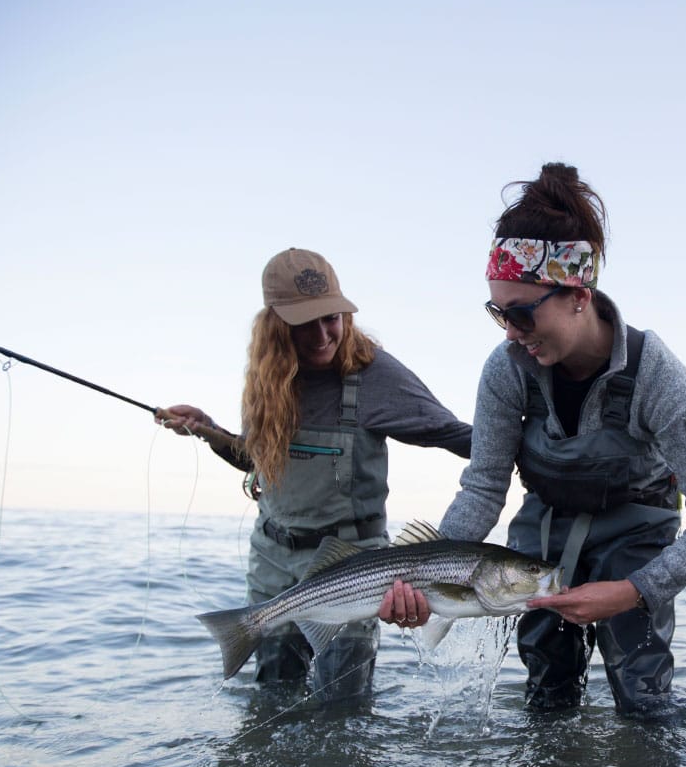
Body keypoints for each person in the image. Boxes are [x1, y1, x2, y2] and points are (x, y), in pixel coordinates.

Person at [381, 163, 686, 715]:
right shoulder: (506, 371)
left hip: (637, 540)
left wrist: (634, 591)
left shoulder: (660, 380)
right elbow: (482, 489)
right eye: (498, 313)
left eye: (522, 313)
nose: (511, 334)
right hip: (541, 538)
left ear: (579, 293)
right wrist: (430, 578)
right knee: (547, 695)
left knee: (644, 697)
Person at [160, 247, 471, 703]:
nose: (324, 333)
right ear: (276, 325)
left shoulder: (376, 375)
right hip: (272, 557)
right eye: (306, 322)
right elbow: (256, 461)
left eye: (333, 316)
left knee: (342, 708)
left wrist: (540, 454)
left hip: (352, 563)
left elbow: (458, 437)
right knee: (272, 697)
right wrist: (209, 431)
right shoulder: (267, 380)